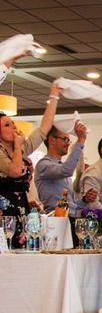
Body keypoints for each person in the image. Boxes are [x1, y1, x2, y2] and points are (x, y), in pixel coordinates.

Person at [0, 82, 61, 245]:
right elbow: (14, 171)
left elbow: (44, 129)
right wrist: (19, 146)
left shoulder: (19, 148)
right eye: (7, 125)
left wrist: (54, 95)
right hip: (3, 208)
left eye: (13, 123)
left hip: (22, 206)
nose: (13, 126)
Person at [35, 122, 96, 215]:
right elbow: (67, 170)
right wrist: (80, 141)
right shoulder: (43, 164)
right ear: (51, 140)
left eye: (68, 140)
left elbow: (71, 206)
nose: (68, 144)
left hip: (67, 219)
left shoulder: (61, 167)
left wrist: (85, 199)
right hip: (54, 220)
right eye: (65, 139)